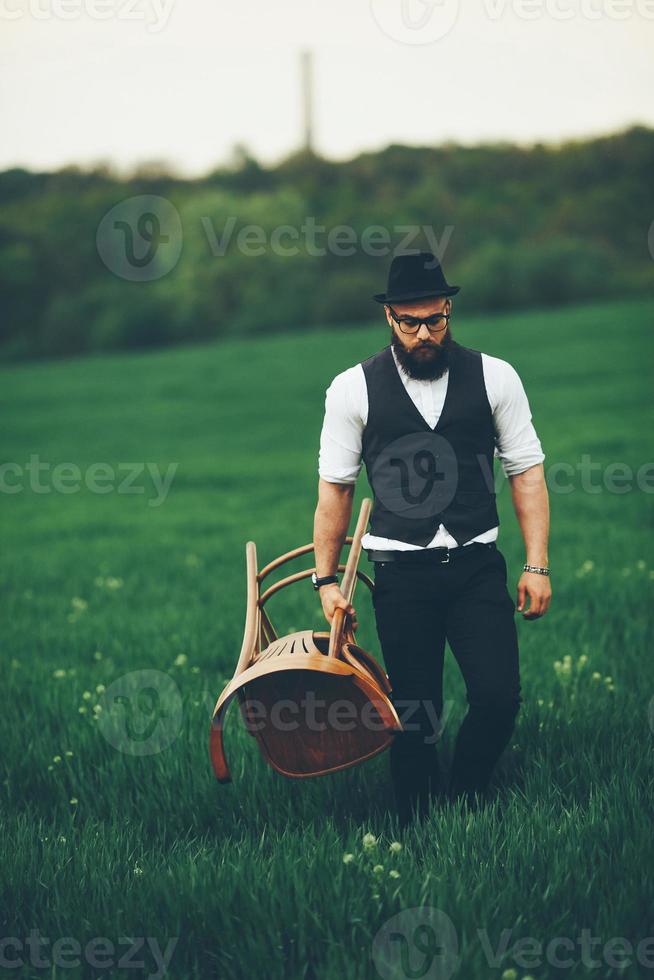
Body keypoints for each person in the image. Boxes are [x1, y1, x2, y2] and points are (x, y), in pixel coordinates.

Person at [312, 251, 551, 827]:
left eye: (435, 320)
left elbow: (527, 471)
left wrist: (536, 564)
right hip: (401, 574)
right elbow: (335, 491)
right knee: (415, 713)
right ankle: (415, 823)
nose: (424, 333)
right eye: (410, 322)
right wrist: (326, 580)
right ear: (389, 318)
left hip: (476, 568)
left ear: (449, 310)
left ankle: (467, 796)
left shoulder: (496, 376)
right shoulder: (352, 389)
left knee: (497, 698)